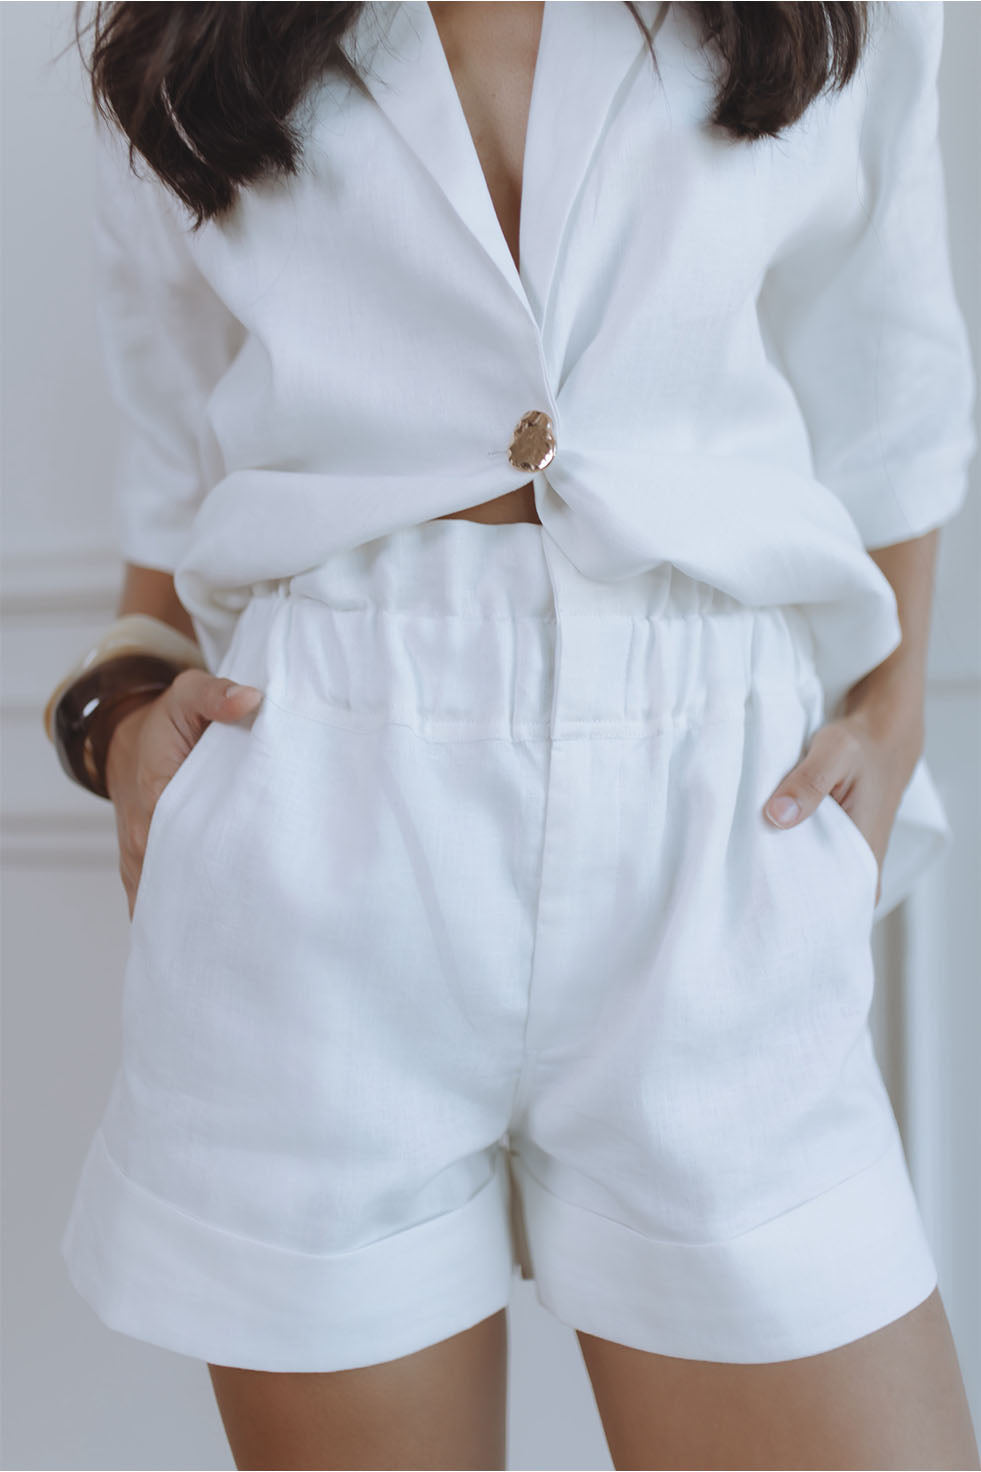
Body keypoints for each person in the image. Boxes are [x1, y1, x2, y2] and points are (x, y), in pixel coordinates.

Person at [49, 2, 979, 1466]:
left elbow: (888, 361)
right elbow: (175, 484)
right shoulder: (186, 26)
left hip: (719, 822)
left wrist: (895, 705)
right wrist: (113, 724)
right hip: (313, 827)